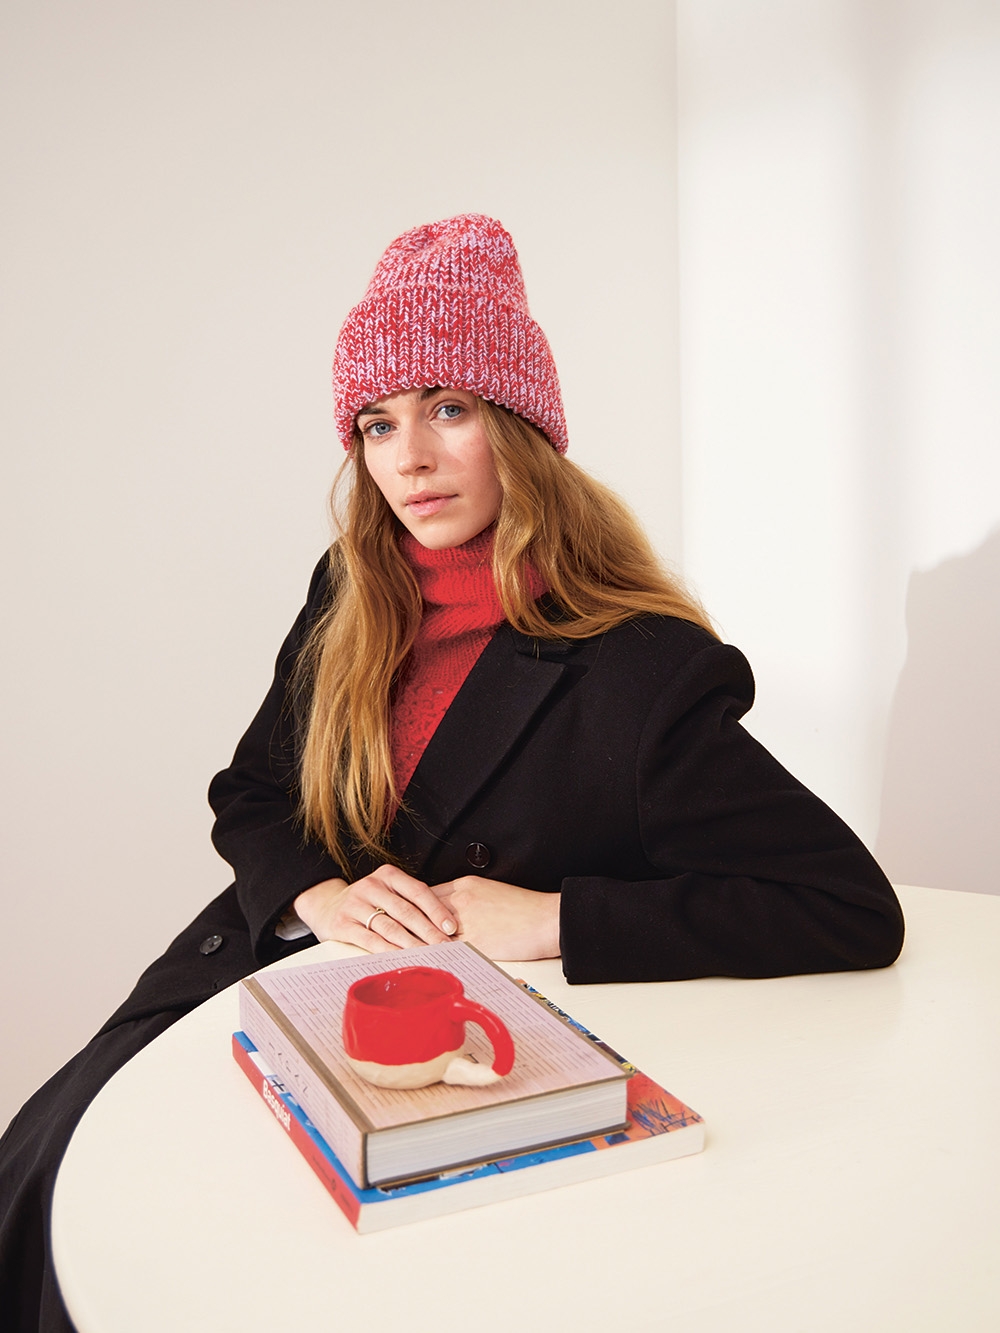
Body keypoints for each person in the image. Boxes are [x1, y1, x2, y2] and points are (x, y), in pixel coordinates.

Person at [0, 213, 904, 1330]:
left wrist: (551, 917)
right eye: (377, 424)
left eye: (448, 409)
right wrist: (313, 891)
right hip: (254, 981)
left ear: (519, 425)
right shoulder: (351, 586)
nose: (408, 459)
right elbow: (253, 790)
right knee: (55, 1187)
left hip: (445, 1078)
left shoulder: (642, 669)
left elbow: (844, 906)